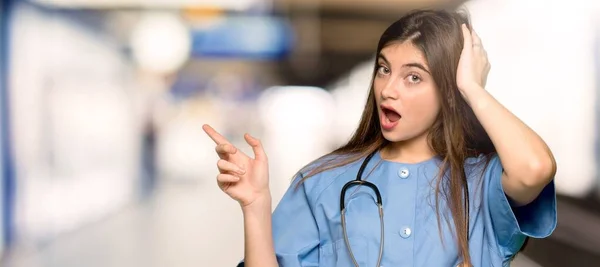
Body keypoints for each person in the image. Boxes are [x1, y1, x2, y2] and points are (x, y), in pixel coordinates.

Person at [202, 9, 557, 267]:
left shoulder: (481, 183)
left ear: (449, 91)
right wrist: (256, 206)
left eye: (413, 77)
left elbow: (535, 168)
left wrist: (470, 88)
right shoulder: (323, 181)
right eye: (384, 69)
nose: (388, 89)